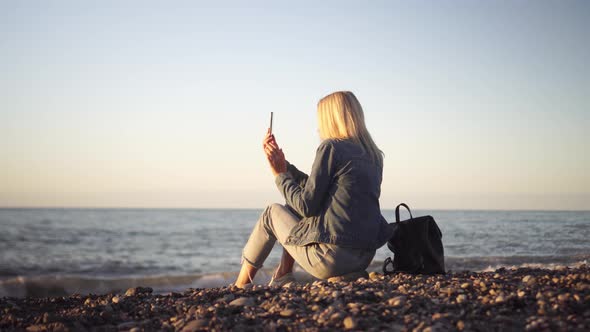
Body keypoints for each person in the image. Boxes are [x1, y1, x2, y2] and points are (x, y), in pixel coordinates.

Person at [235, 91, 393, 288]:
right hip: (363, 257)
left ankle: (240, 285)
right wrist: (284, 166)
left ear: (330, 119)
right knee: (289, 205)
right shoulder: (374, 155)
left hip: (331, 260)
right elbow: (320, 191)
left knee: (271, 213)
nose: (318, 127)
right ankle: (283, 274)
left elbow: (306, 205)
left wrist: (279, 175)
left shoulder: (332, 147)